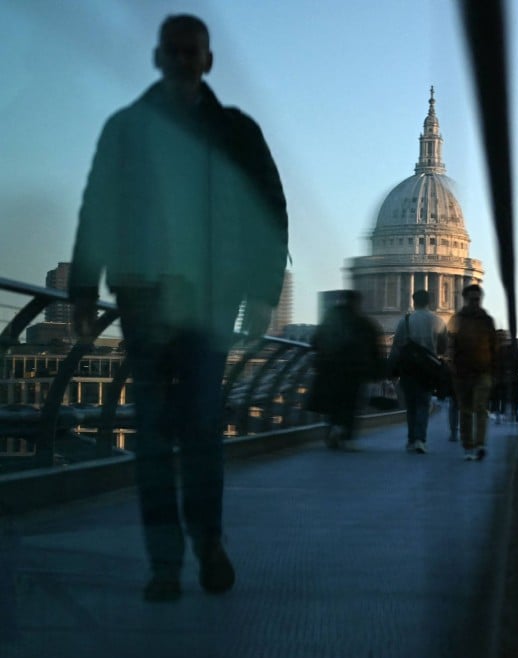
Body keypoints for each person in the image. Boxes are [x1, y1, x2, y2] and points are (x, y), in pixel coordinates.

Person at [68, 14, 288, 602]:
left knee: (196, 429)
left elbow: (270, 209)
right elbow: (96, 211)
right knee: (153, 436)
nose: (185, 60)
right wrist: (82, 293)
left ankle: (206, 541)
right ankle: (166, 561)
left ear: (207, 60)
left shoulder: (237, 131)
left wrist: (263, 294)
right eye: (176, 50)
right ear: (160, 57)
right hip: (143, 297)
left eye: (194, 51)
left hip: (207, 301)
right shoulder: (125, 129)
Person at [309, 291, 383, 451]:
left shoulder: (330, 319)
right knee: (350, 404)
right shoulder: (365, 323)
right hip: (355, 371)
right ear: (358, 303)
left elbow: (314, 341)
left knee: (333, 402)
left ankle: (332, 429)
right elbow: (375, 350)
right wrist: (378, 372)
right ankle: (344, 433)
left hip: (329, 369)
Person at [389, 289, 447, 454]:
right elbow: (443, 347)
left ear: (414, 302)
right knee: (423, 403)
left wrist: (391, 369)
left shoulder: (404, 321)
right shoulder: (438, 321)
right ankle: (420, 439)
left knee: (411, 406)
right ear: (430, 302)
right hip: (427, 369)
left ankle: (411, 439)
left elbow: (397, 347)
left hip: (408, 369)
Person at [447, 285, 498, 460]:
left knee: (480, 408)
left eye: (477, 299)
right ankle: (468, 444)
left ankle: (480, 443)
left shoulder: (487, 320)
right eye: (472, 299)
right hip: (462, 371)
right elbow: (450, 344)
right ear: (465, 299)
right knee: (466, 410)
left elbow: (494, 345)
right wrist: (452, 365)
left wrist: (494, 368)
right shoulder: (457, 319)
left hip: (483, 371)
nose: (475, 302)